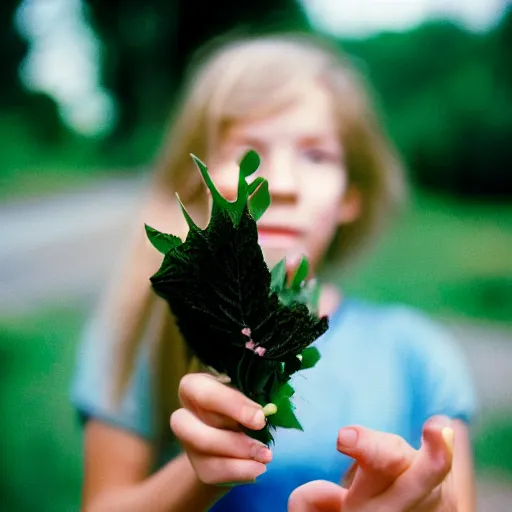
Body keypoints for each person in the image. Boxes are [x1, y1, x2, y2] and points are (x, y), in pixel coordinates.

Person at [71, 33, 477, 512]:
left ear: (351, 195)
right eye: (249, 154)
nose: (281, 184)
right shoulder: (144, 332)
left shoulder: (418, 354)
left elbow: (457, 499)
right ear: (196, 179)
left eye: (316, 155)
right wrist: (202, 469)